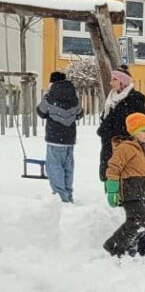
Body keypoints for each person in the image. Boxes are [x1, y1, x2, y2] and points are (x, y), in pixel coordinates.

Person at [103, 112, 145, 257]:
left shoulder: (143, 148)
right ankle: (114, 245)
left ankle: (130, 247)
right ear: (134, 131)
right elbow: (113, 168)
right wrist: (112, 190)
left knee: (137, 221)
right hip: (129, 190)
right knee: (141, 220)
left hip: (141, 190)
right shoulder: (126, 147)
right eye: (143, 130)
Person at [97, 66, 145, 185]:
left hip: (125, 143)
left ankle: (122, 196)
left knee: (123, 171)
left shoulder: (134, 100)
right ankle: (111, 192)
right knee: (110, 170)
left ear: (123, 82)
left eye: (114, 79)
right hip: (109, 143)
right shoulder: (112, 99)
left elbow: (141, 122)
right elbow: (108, 118)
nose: (111, 83)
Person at [36, 69, 80, 202]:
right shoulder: (74, 98)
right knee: (68, 167)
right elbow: (80, 113)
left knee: (54, 167)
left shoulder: (50, 98)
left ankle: (61, 197)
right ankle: (68, 193)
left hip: (55, 139)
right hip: (69, 139)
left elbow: (41, 112)